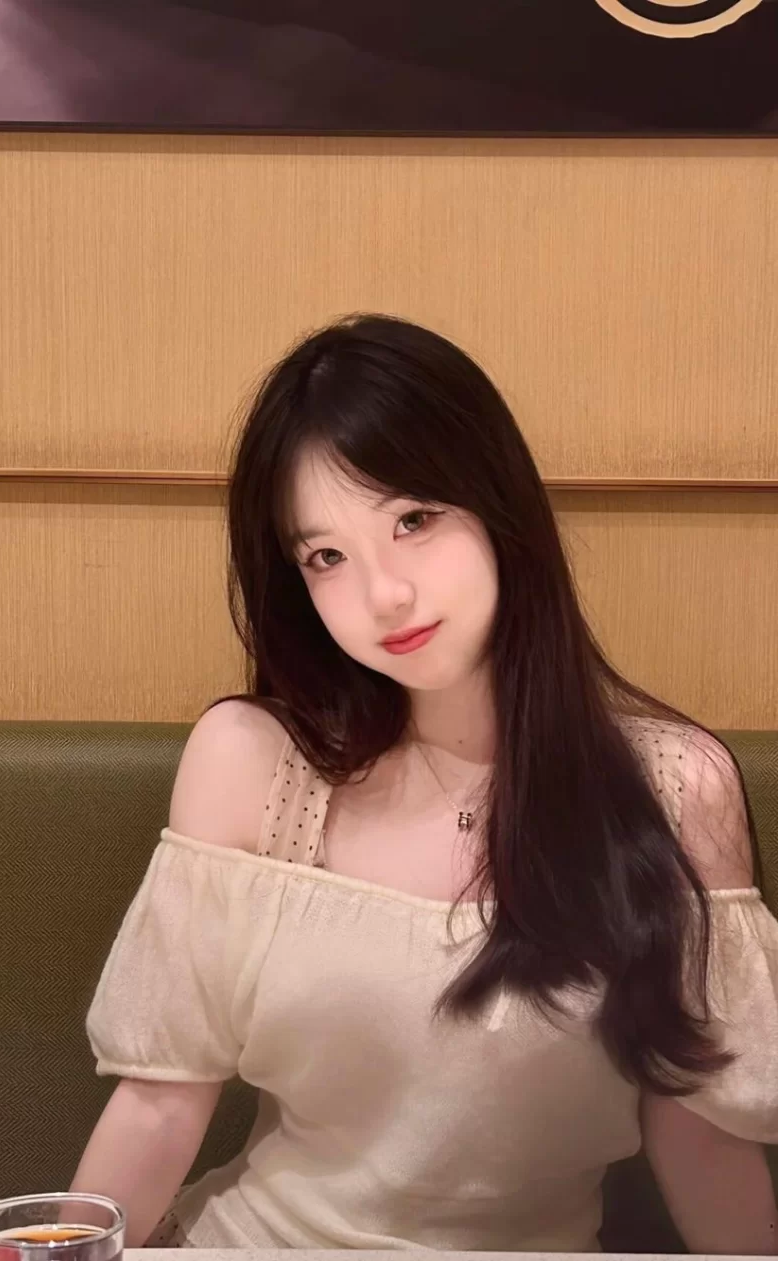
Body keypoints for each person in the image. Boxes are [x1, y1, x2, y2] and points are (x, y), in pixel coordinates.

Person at [72, 314, 778, 1252]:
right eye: (326, 556)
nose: (384, 595)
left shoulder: (678, 789)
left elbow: (700, 1135)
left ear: (497, 504)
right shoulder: (250, 764)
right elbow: (161, 1103)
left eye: (413, 519)